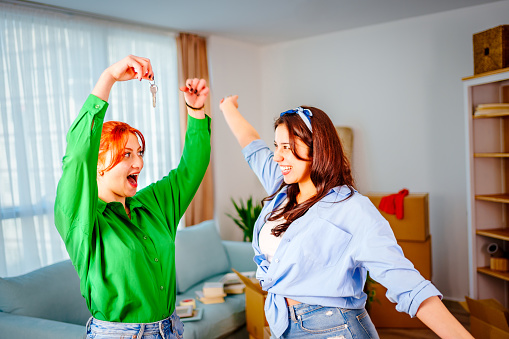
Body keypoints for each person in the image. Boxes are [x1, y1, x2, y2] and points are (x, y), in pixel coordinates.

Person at [219, 96, 474, 339]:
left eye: (287, 147)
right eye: (277, 146)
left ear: (316, 147)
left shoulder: (352, 209)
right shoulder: (282, 187)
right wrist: (228, 107)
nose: (277, 156)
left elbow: (406, 282)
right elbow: (252, 145)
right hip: (282, 323)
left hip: (335, 328)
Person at [54, 55, 211, 339]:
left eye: (140, 152)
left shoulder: (153, 204)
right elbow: (78, 156)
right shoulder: (82, 219)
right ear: (98, 164)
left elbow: (190, 170)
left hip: (171, 330)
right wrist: (109, 77)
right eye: (127, 154)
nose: (138, 163)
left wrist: (196, 111)